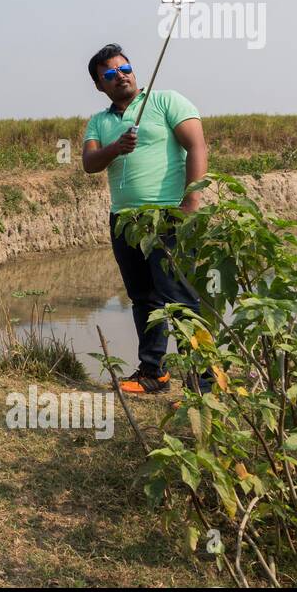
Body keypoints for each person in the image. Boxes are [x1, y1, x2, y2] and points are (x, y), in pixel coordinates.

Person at [81, 43, 208, 394]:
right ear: (99, 85)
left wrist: (190, 204)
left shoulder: (166, 101)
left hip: (168, 216)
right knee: (144, 299)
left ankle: (204, 384)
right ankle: (153, 373)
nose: (119, 76)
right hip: (125, 221)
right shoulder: (99, 121)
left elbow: (196, 145)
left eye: (124, 69)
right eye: (109, 74)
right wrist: (115, 147)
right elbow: (90, 164)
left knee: (181, 299)